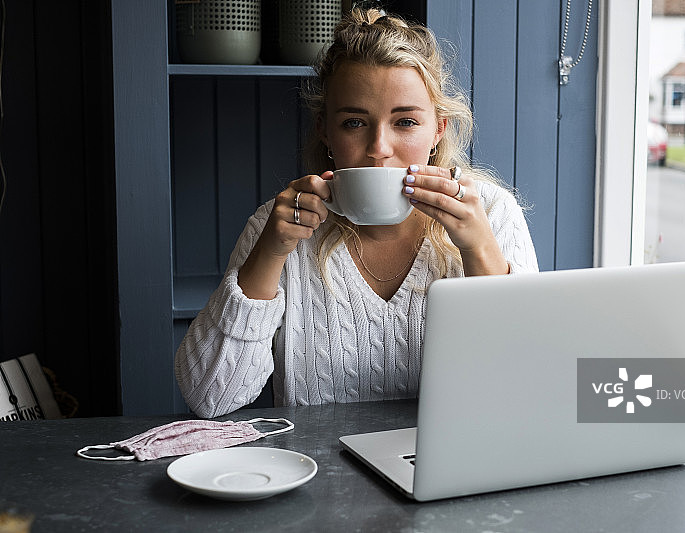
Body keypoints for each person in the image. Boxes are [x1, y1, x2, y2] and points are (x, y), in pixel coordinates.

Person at [175, 8, 539, 418]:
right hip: (319, 473)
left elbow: (527, 385)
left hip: (449, 470)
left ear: (438, 129)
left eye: (405, 122)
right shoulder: (278, 227)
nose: (379, 147)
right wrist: (270, 255)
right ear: (325, 130)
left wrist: (479, 250)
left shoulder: (492, 213)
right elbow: (210, 397)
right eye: (354, 123)